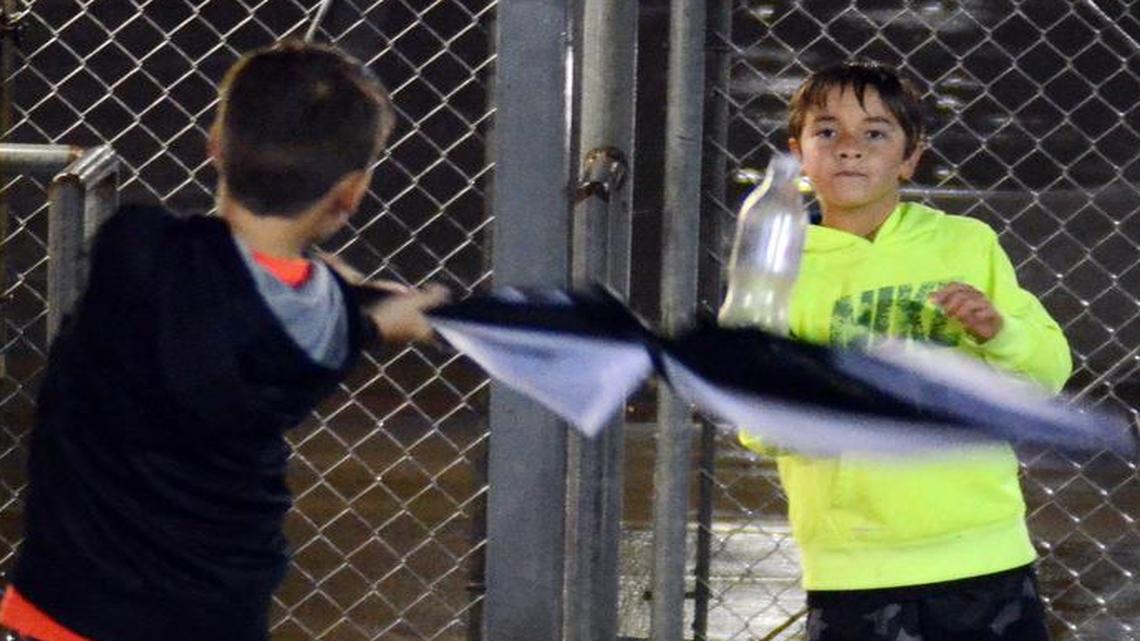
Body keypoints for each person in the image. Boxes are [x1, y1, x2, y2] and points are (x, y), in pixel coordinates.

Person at [0, 41, 448, 641]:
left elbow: (214, 283)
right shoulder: (321, 338)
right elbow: (277, 310)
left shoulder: (136, 249)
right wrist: (364, 310)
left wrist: (340, 298)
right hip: (209, 621)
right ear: (351, 194)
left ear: (214, 145)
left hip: (66, 610)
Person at [734, 60, 1072, 640]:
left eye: (875, 133)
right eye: (826, 132)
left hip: (983, 552)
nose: (849, 148)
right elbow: (752, 418)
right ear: (799, 153)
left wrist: (999, 332)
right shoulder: (778, 265)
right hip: (855, 563)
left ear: (910, 156)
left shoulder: (965, 243)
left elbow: (1049, 370)